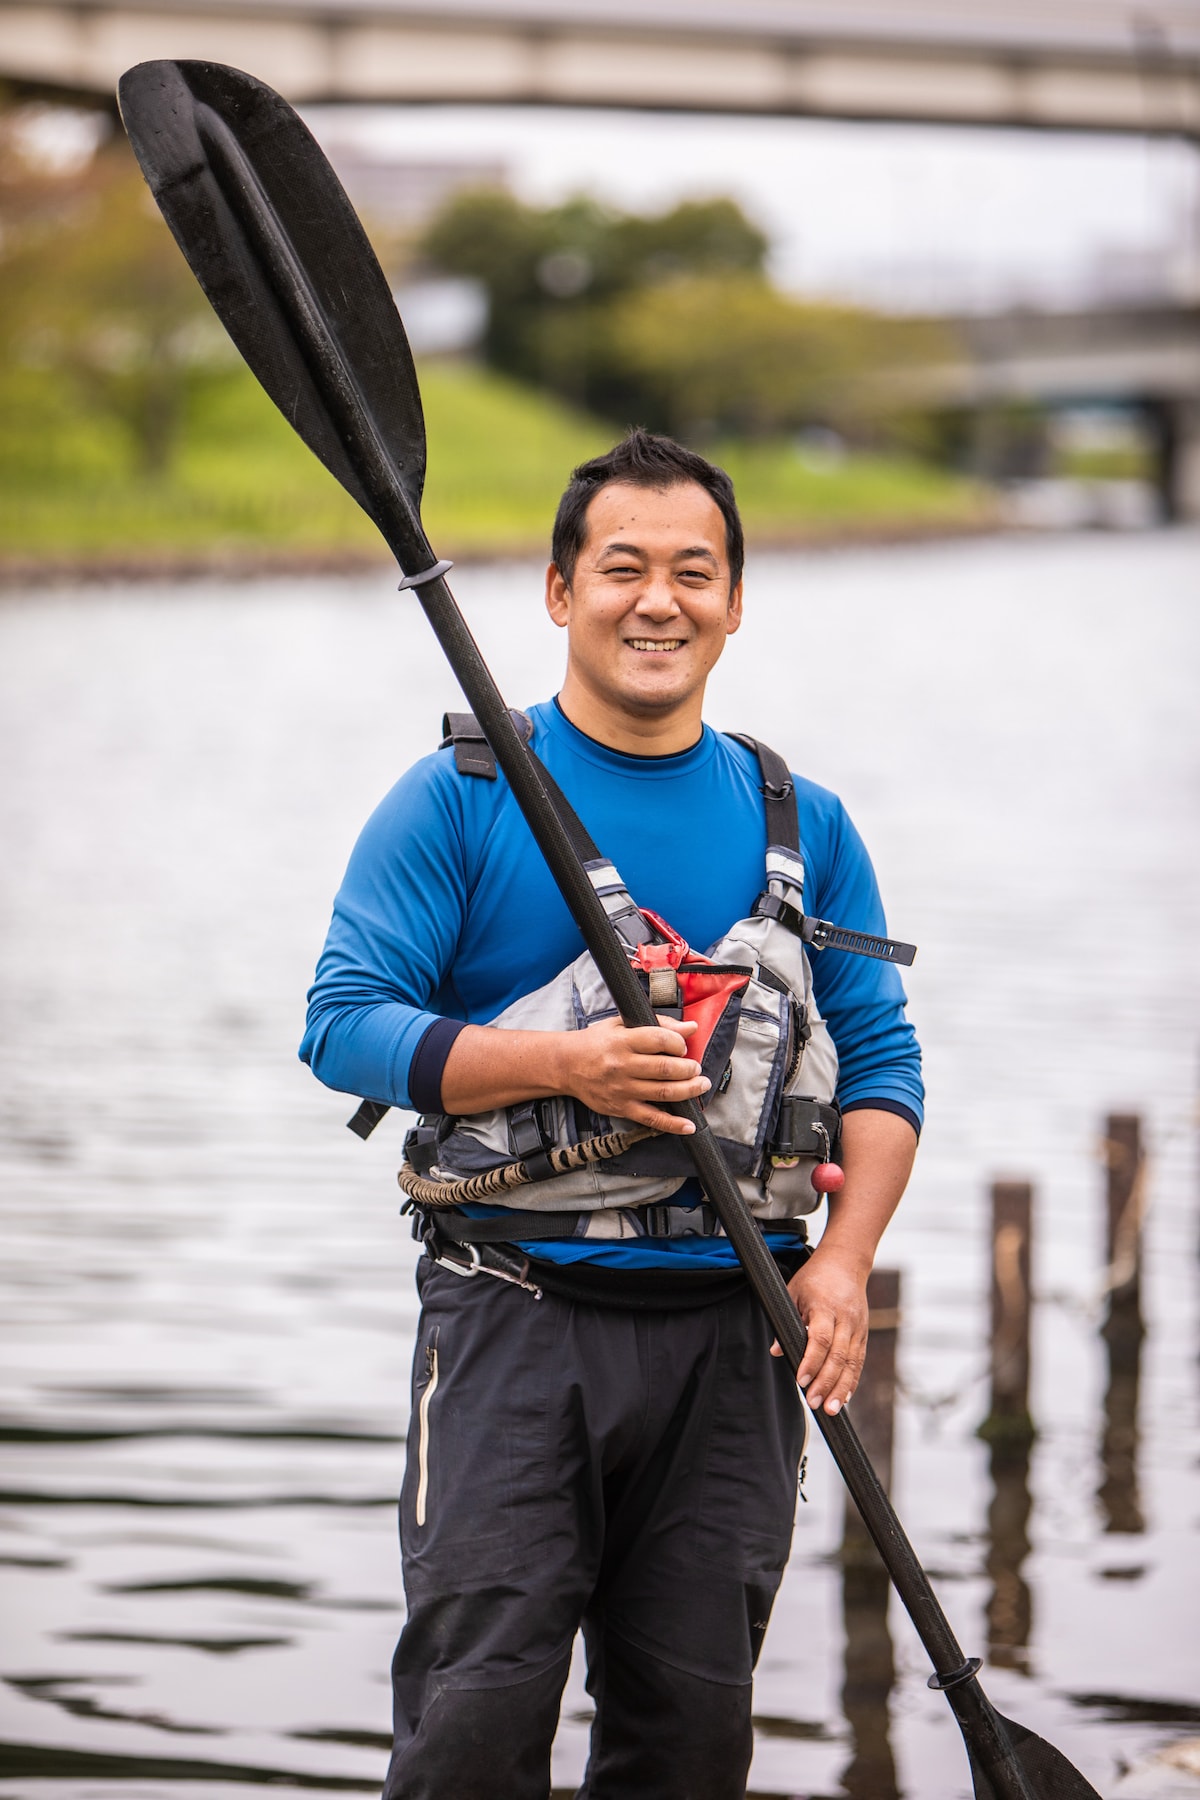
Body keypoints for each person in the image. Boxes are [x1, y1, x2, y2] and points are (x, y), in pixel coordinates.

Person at [300, 429, 922, 1800]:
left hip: (736, 1338)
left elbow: (882, 1064)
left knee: (690, 1744)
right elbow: (343, 1026)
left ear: (736, 602)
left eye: (694, 573)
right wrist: (565, 1068)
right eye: (622, 567)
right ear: (559, 591)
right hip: (514, 1322)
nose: (659, 602)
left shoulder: (806, 821)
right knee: (473, 1732)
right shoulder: (462, 796)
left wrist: (843, 1262)